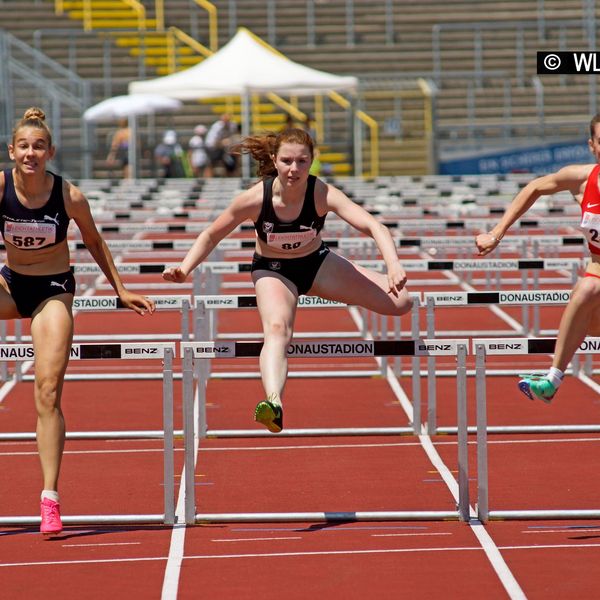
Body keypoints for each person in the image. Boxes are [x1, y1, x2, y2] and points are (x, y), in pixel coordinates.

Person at [163, 127, 413, 433]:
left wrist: (393, 265)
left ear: (312, 162)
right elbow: (211, 234)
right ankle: (274, 403)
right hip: (273, 270)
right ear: (274, 160)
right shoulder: (255, 198)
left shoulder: (321, 193)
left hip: (317, 264)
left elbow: (376, 227)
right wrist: (185, 268)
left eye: (302, 162)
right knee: (278, 329)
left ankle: (338, 285)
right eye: (287, 161)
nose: (294, 169)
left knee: (403, 302)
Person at [2, 107, 155, 535]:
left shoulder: (68, 196)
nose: (30, 153)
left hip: (51, 291)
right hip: (10, 286)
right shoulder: (0, 187)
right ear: (11, 151)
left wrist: (121, 289)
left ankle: (49, 498)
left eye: (38, 147)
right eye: (23, 147)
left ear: (50, 152)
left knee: (47, 389)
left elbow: (94, 241)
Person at [475, 113, 600, 404]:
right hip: (598, 275)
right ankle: (551, 381)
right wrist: (496, 233)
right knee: (586, 290)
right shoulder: (582, 180)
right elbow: (533, 188)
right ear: (592, 145)